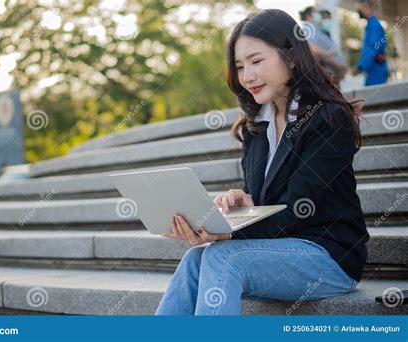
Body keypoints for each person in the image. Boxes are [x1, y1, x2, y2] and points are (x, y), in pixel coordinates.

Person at [156, 9, 369, 316]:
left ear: (292, 57)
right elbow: (267, 202)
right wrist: (242, 204)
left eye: (256, 61)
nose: (247, 76)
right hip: (275, 248)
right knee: (194, 259)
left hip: (328, 254)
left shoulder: (327, 119)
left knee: (222, 257)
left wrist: (227, 233)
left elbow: (298, 209)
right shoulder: (256, 126)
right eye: (240, 66)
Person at [299, 6, 347, 84]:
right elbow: (312, 50)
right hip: (326, 79)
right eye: (316, 13)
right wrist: (336, 63)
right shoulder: (309, 30)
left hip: (332, 78)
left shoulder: (318, 30)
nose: (319, 15)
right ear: (308, 16)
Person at [354, 0, 389, 86]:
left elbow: (373, 47)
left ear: (367, 8)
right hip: (373, 69)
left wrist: (361, 66)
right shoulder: (370, 25)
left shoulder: (374, 25)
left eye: (359, 9)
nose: (358, 12)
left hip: (376, 69)